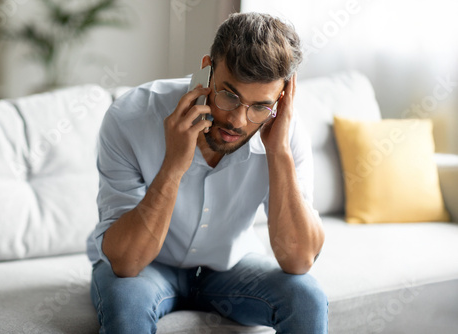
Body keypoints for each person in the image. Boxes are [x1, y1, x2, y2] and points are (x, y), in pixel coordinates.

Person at [86, 12, 328, 334]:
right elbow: (127, 262)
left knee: (307, 298)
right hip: (148, 267)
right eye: (229, 95)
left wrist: (279, 153)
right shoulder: (132, 117)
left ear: (282, 97)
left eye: (260, 106)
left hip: (230, 267)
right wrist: (173, 165)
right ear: (206, 68)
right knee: (126, 306)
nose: (239, 121)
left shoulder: (283, 131)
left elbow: (299, 261)